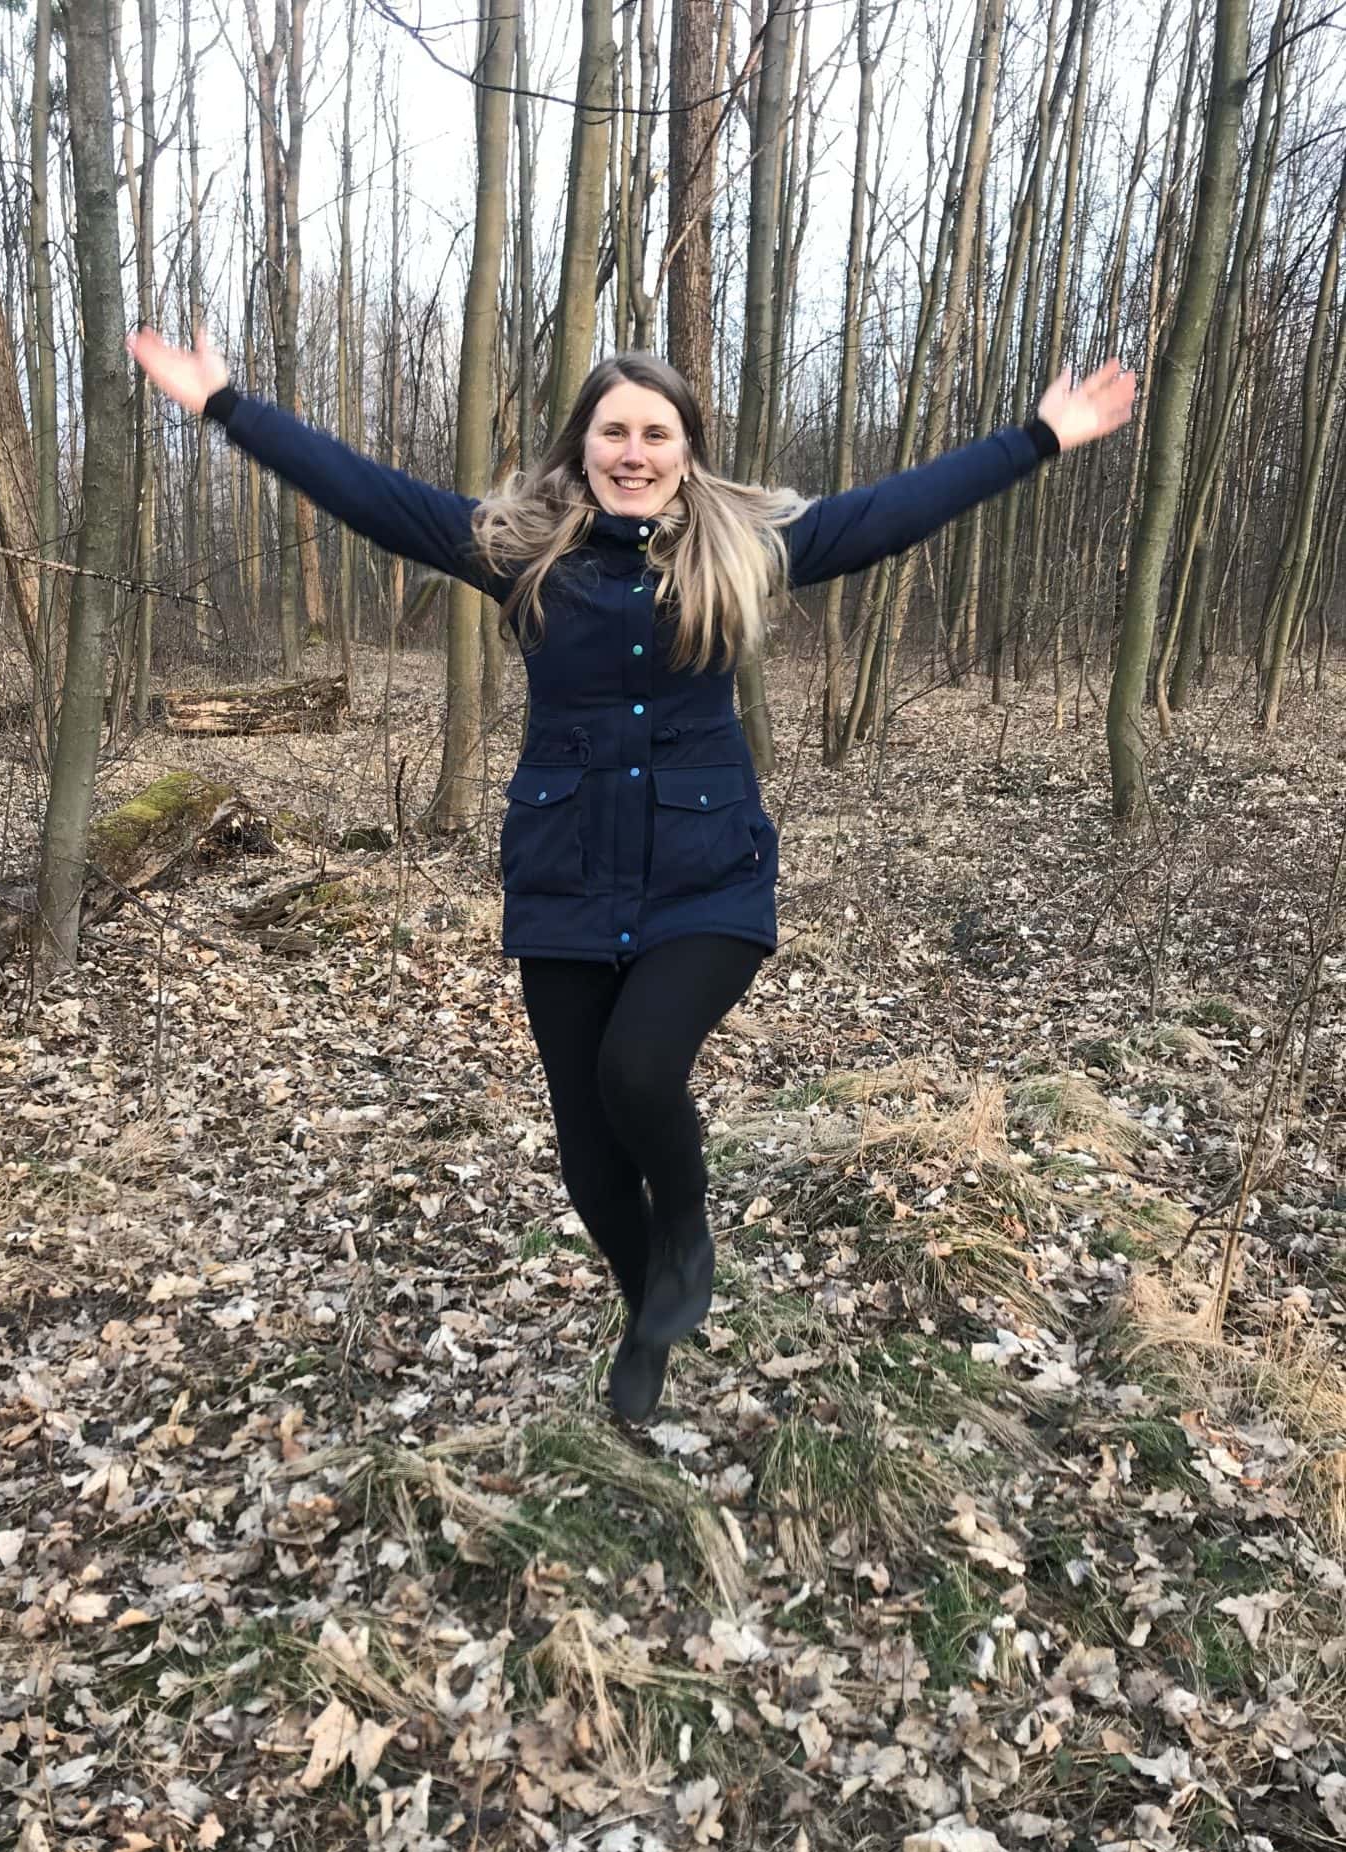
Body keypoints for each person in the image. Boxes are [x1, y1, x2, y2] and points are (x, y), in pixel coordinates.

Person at [128, 326, 1135, 1424]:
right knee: (587, 1152)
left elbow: (893, 511)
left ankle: (687, 1232)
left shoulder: (742, 548)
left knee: (640, 1069)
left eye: (657, 433)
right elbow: (369, 495)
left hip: (706, 877)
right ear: (583, 445)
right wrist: (227, 405)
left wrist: (1038, 437)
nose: (635, 451)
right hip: (565, 875)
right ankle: (647, 1305)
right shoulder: (521, 551)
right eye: (615, 431)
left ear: (688, 450)